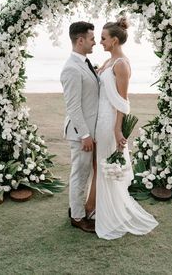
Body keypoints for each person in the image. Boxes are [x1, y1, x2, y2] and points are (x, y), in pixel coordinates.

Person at [95, 17, 158, 240]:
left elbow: (122, 101)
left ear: (114, 40)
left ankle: (112, 216)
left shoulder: (121, 64)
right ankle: (104, 211)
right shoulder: (109, 61)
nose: (99, 42)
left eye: (103, 38)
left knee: (107, 170)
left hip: (109, 121)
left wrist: (117, 129)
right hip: (100, 119)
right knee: (102, 168)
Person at [60, 21, 99, 233]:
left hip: (88, 130)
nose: (95, 42)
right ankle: (77, 217)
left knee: (82, 173)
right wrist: (85, 134)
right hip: (80, 133)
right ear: (80, 40)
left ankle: (76, 209)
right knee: (80, 174)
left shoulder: (84, 62)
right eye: (92, 38)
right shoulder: (71, 68)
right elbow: (73, 107)